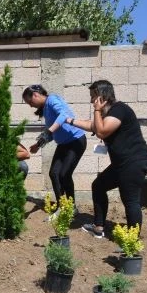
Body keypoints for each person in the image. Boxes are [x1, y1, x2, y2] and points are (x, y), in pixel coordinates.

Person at [65, 80, 147, 238]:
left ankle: (132, 241)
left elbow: (102, 131)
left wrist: (97, 111)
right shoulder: (109, 114)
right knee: (98, 186)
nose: (92, 101)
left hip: (134, 162)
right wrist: (69, 121)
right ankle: (98, 227)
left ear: (102, 96)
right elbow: (94, 126)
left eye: (93, 97)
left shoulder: (119, 109)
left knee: (130, 200)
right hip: (121, 164)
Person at [22, 84, 86, 218]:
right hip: (63, 144)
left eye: (30, 102)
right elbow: (51, 133)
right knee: (54, 173)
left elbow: (64, 115)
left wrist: (49, 130)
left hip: (75, 141)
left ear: (35, 95)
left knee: (64, 174)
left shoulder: (52, 100)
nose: (31, 105)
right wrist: (37, 145)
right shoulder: (45, 109)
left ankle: (71, 207)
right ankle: (62, 207)